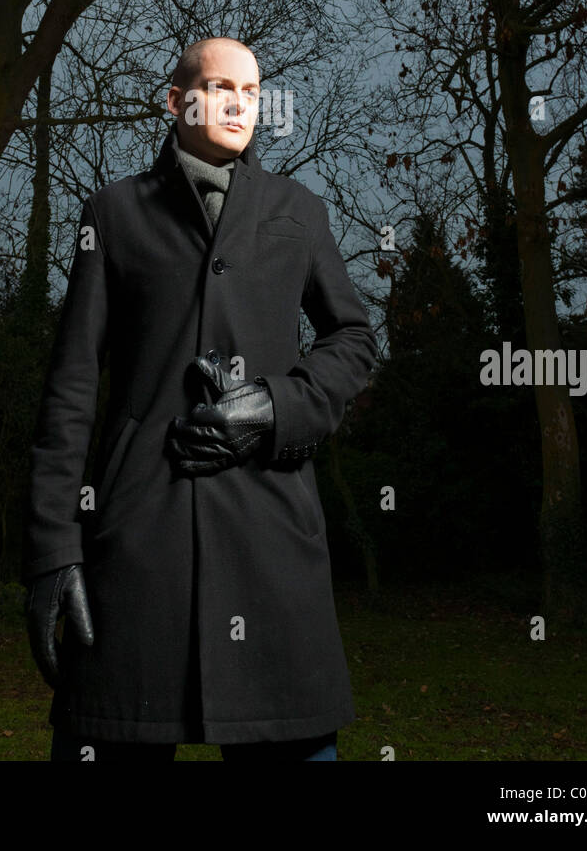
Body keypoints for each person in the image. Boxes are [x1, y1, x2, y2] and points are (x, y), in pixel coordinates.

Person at [23, 37, 377, 761]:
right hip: (135, 543)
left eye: (251, 92)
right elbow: (71, 389)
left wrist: (277, 407)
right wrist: (54, 549)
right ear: (174, 100)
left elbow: (354, 342)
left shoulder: (298, 210)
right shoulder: (113, 214)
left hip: (273, 538)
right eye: (218, 88)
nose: (239, 104)